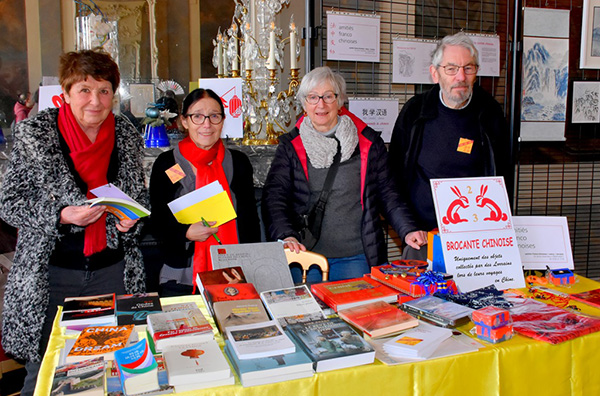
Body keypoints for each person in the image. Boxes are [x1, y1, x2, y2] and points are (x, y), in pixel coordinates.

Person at [0, 49, 147, 395]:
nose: (95, 100)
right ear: (65, 93)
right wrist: (61, 215)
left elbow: (138, 196)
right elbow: (9, 203)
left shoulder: (125, 137)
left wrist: (131, 220)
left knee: (110, 369)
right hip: (51, 275)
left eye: (104, 90)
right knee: (46, 374)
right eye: (84, 89)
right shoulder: (35, 134)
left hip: (111, 271)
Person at [262, 66, 426, 284]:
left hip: (356, 258)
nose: (321, 104)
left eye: (329, 96)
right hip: (305, 259)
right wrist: (286, 235)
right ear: (304, 104)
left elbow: (388, 194)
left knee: (358, 315)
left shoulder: (368, 142)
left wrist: (407, 229)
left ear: (340, 102)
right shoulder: (291, 146)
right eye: (313, 97)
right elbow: (275, 197)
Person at [389, 32, 509, 260]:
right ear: (435, 74)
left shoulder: (490, 114)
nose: (460, 77)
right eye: (451, 69)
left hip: (476, 240)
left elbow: (503, 178)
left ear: (476, 73)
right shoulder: (415, 112)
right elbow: (392, 178)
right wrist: (407, 227)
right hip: (423, 238)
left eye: (468, 68)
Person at [149, 88, 260, 296]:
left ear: (223, 120)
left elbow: (251, 222)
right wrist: (186, 233)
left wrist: (248, 264)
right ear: (185, 121)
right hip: (182, 276)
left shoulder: (239, 162)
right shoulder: (167, 163)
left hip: (234, 273)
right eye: (197, 116)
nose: (206, 124)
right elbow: (158, 221)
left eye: (214, 116)